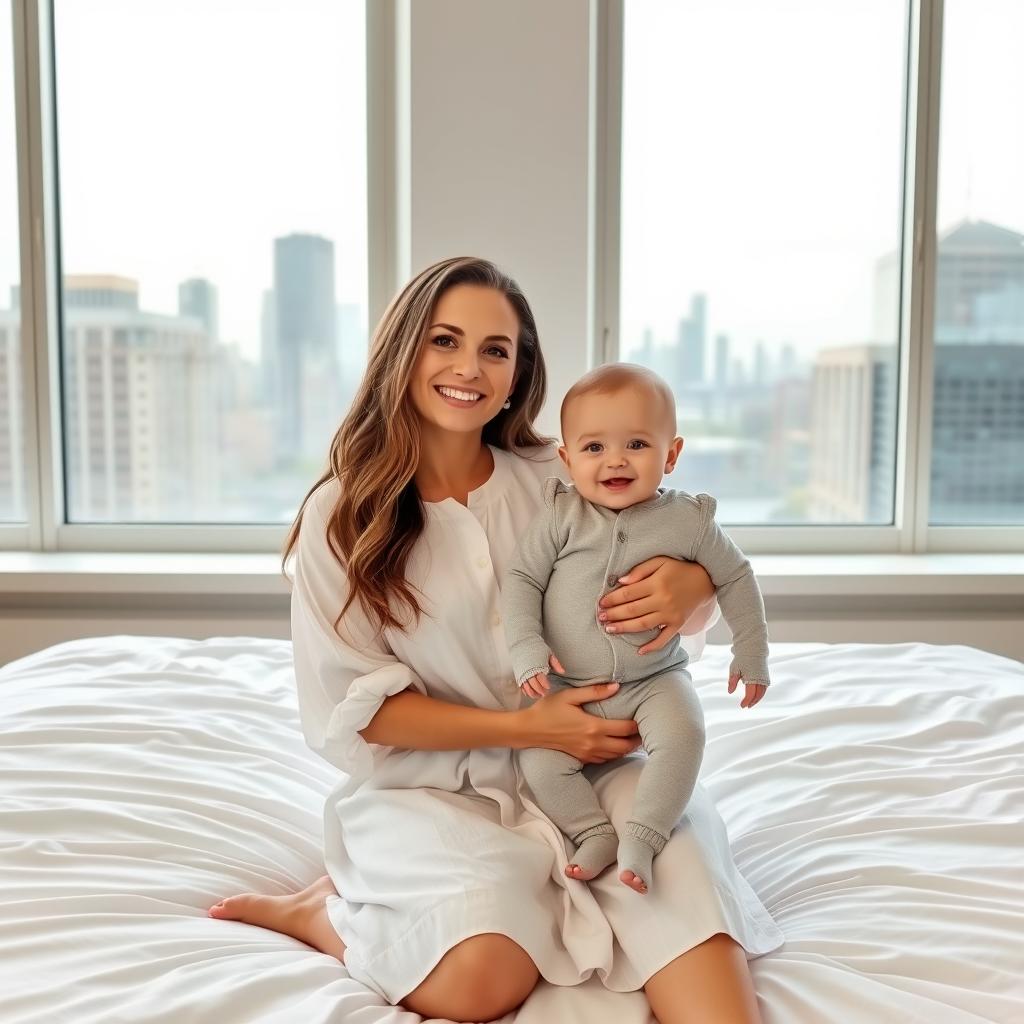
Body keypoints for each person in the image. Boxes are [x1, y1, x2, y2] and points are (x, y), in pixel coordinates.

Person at [208, 257, 784, 1024]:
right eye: (444, 341)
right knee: (480, 983)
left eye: (495, 350)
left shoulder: (564, 475)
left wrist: (695, 588)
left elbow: (680, 564)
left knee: (716, 1001)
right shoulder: (341, 516)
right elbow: (360, 708)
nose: (468, 368)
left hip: (604, 766)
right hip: (430, 789)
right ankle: (323, 913)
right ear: (404, 351)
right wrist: (526, 728)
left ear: (518, 374)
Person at [503, 362, 771, 896]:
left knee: (686, 735)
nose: (616, 461)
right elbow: (521, 578)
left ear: (671, 454)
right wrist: (526, 646)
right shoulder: (561, 515)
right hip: (571, 689)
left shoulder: (689, 521)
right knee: (538, 761)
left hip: (655, 680)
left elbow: (737, 576)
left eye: (637, 445)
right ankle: (592, 832)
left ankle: (645, 837)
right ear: (567, 458)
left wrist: (751, 649)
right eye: (595, 447)